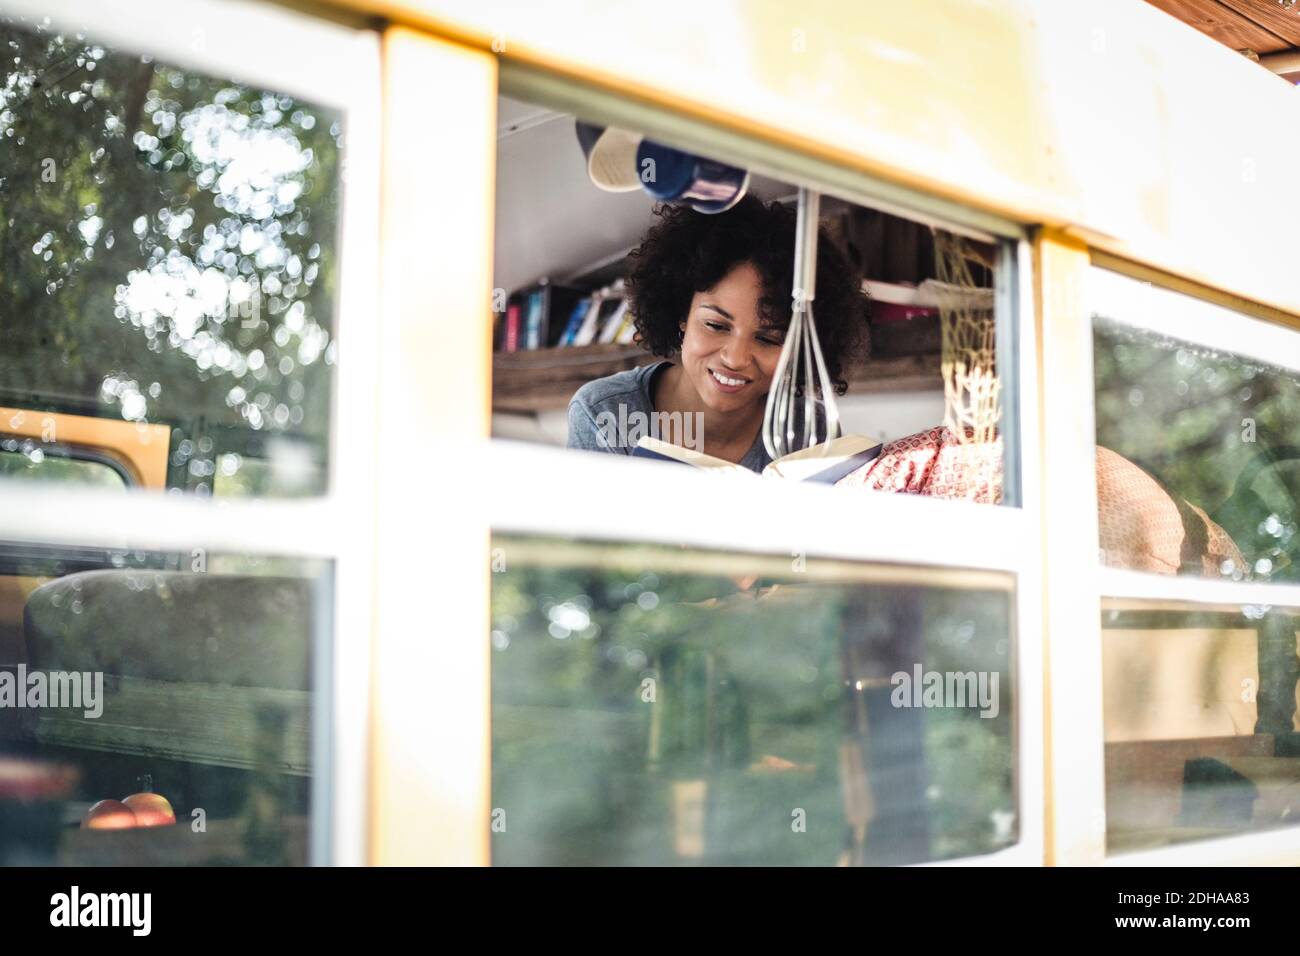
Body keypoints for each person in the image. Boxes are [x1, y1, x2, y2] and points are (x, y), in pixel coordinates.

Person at [566, 196, 867, 471]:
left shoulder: (807, 430)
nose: (735, 358)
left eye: (767, 338)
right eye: (716, 325)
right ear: (682, 314)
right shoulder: (605, 413)